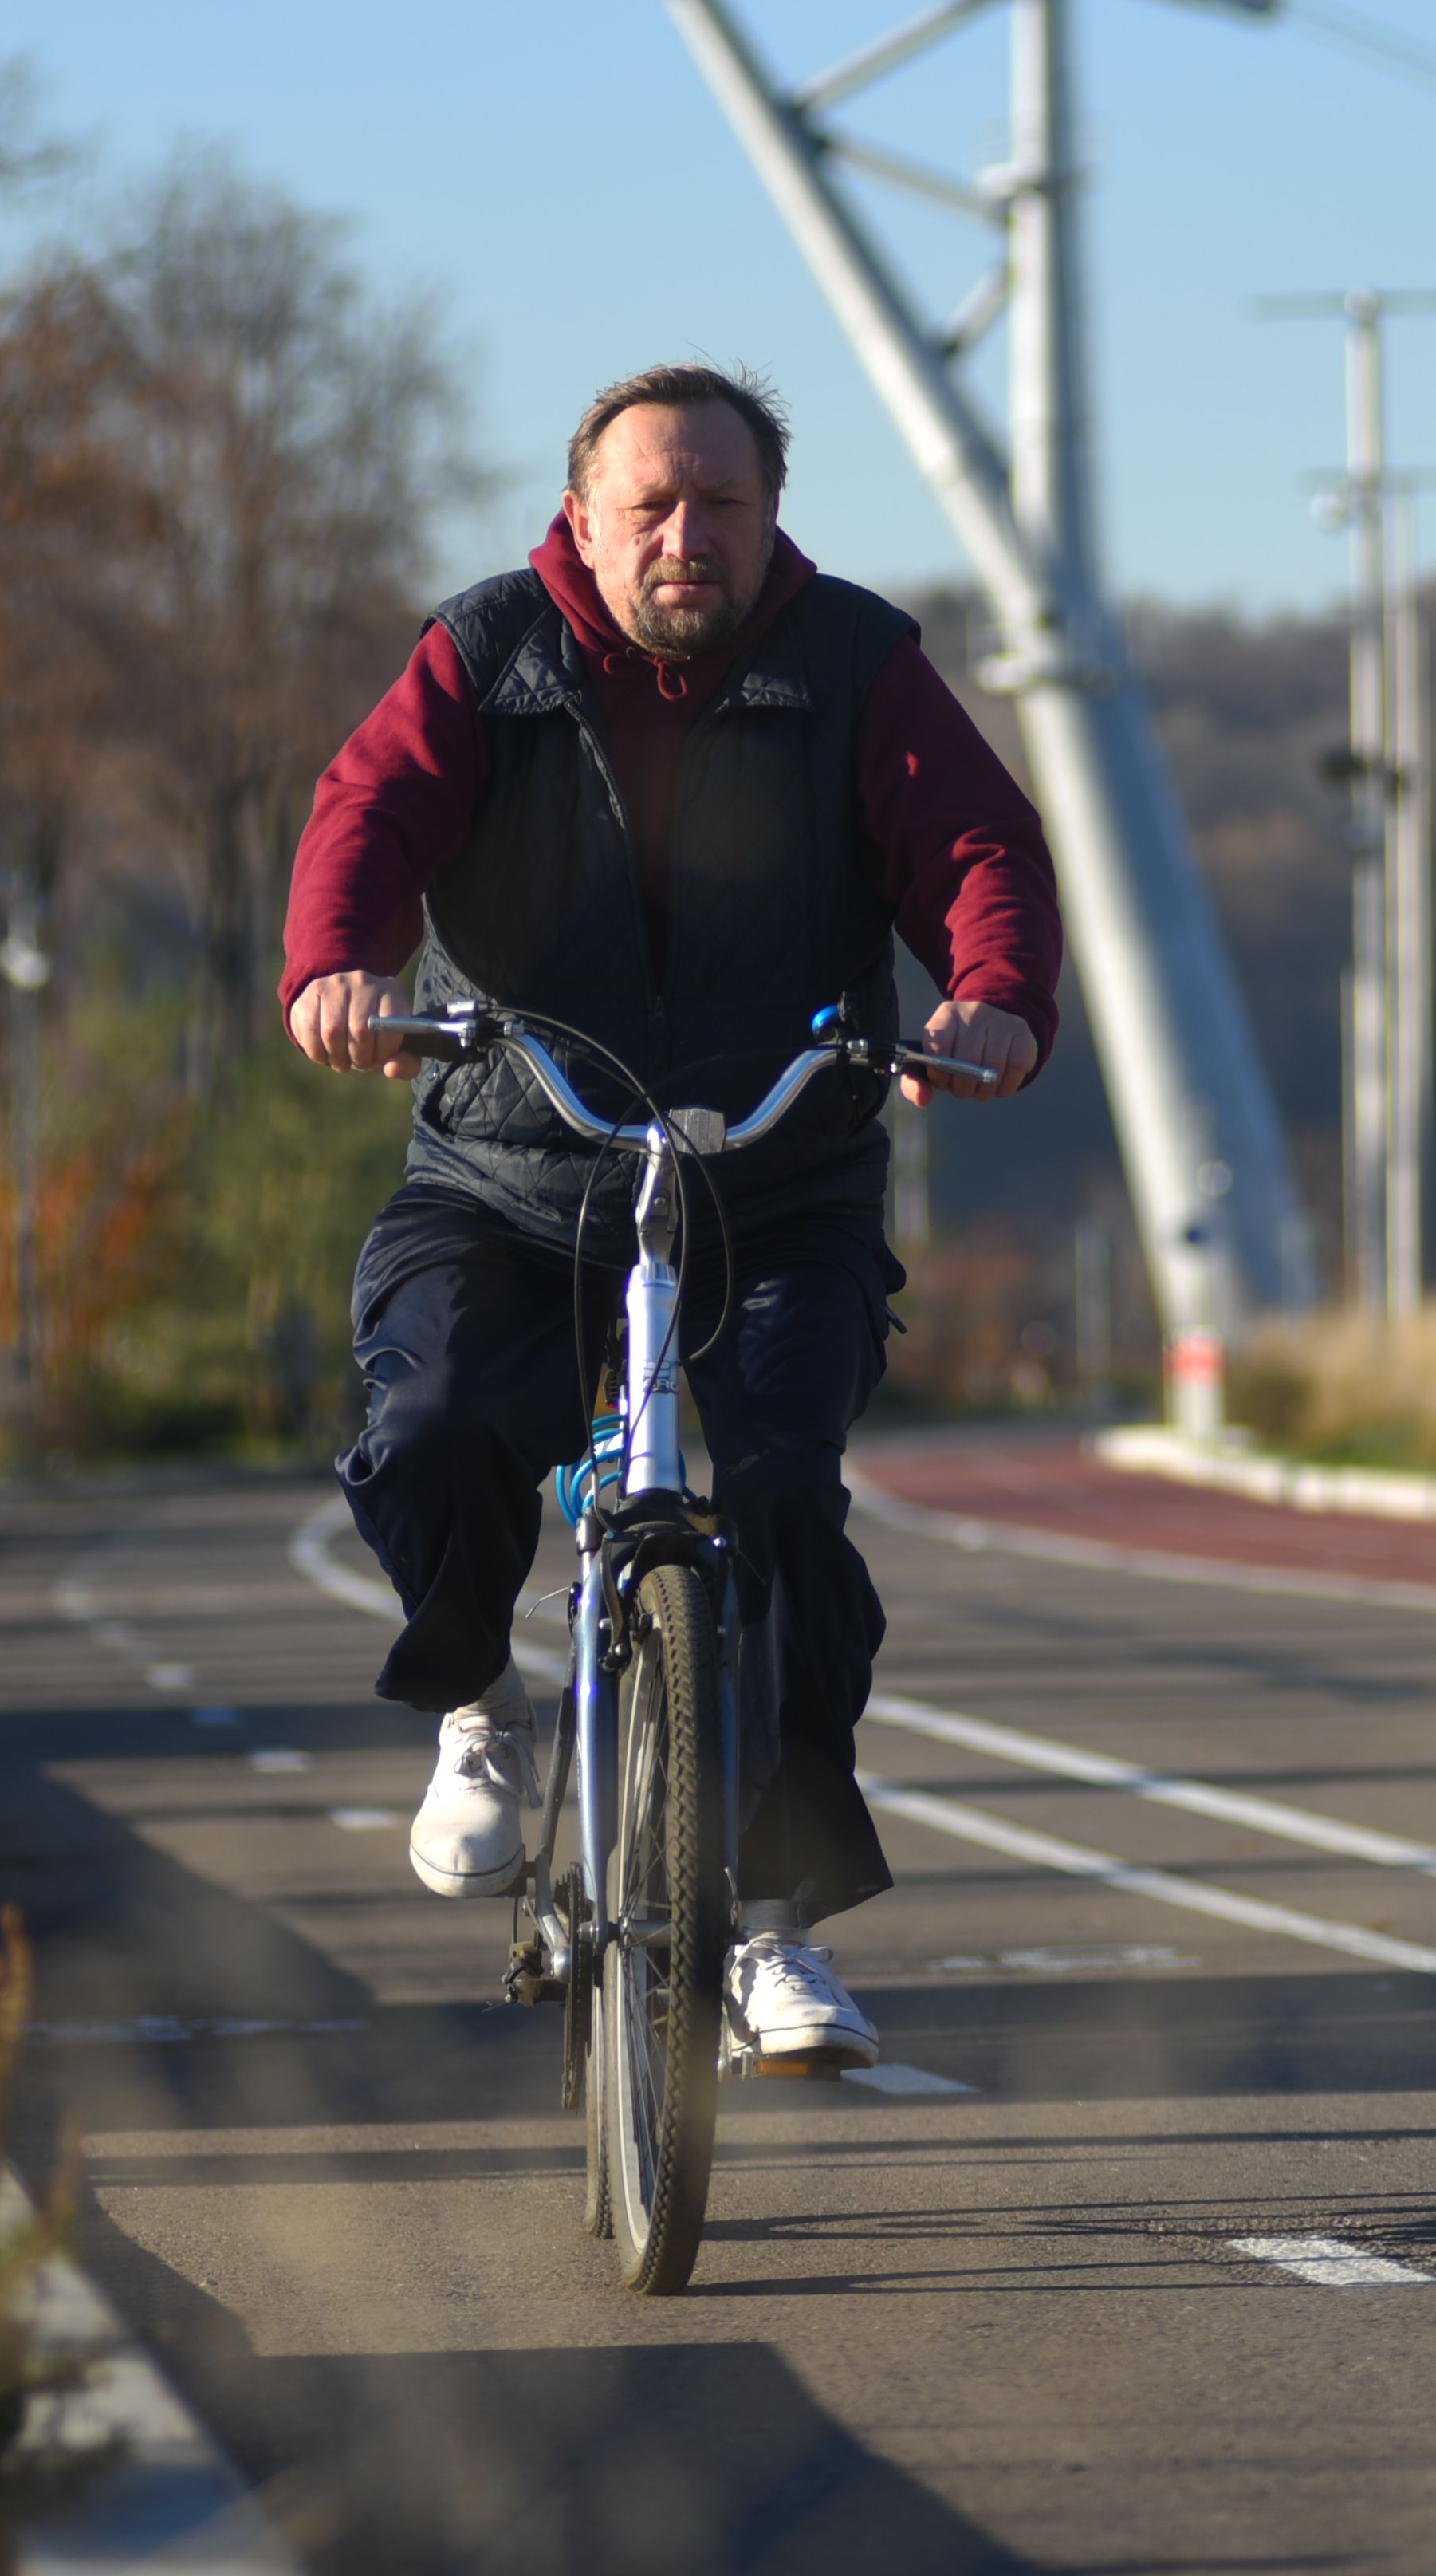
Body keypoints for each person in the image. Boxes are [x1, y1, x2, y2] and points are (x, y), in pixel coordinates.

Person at [282, 360, 1060, 2072]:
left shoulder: (856, 662)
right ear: (582, 516)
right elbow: (370, 811)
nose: (683, 533)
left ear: (771, 517)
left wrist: (990, 993)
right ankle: (478, 1704)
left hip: (776, 1180)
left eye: (719, 502)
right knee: (429, 1424)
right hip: (513, 1170)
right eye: (650, 502)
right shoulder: (484, 653)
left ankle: (770, 1926)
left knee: (783, 1495)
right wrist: (338, 963)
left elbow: (976, 847)